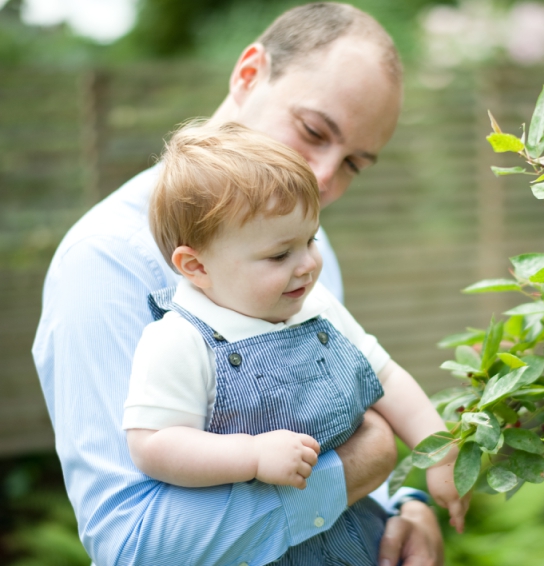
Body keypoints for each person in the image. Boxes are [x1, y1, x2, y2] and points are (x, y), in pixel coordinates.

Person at [32, 3, 446, 565]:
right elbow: (131, 549)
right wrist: (352, 468)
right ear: (249, 73)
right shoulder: (104, 263)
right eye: (313, 131)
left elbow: (338, 409)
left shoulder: (299, 251)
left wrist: (407, 502)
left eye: (354, 164)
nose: (324, 178)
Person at [122, 121, 466, 565]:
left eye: (312, 239)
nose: (307, 264)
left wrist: (439, 451)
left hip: (352, 533)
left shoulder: (316, 305)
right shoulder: (179, 339)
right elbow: (153, 445)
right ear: (196, 266)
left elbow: (387, 375)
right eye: (280, 255)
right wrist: (250, 454)